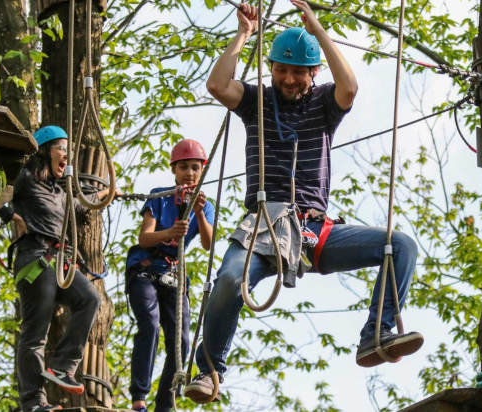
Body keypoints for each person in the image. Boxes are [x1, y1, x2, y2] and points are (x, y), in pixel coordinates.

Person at [184, 1, 421, 403]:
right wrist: (244, 36)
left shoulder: (325, 105)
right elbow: (218, 85)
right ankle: (209, 371)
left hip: (314, 228)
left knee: (400, 246)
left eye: (298, 71)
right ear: (272, 69)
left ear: (313, 73)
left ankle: (375, 335)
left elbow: (350, 86)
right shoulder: (257, 100)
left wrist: (318, 30)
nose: (289, 79)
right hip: (264, 226)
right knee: (227, 281)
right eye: (281, 70)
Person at [11, 125, 110, 412]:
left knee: (90, 299)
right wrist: (10, 215)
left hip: (60, 262)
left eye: (68, 149)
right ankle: (33, 402)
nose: (66, 155)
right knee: (35, 334)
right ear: (44, 152)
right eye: (61, 148)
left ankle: (63, 366)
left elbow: (87, 204)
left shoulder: (63, 192)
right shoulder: (27, 179)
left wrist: (106, 192)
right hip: (36, 257)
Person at [126, 139, 215, 412]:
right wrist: (170, 234)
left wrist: (199, 213)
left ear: (202, 171)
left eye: (195, 168)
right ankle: (139, 397)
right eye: (184, 167)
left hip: (173, 275)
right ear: (174, 170)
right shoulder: (159, 196)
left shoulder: (205, 204)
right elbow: (144, 238)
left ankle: (165, 403)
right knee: (150, 326)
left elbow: (208, 242)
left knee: (182, 342)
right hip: (145, 270)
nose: (190, 173)